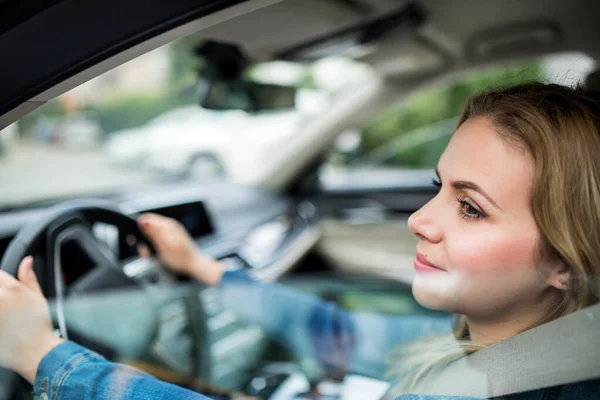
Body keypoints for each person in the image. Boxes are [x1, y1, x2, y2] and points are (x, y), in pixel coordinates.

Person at [1, 82, 600, 400]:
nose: (420, 218)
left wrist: (45, 356)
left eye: (470, 208)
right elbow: (341, 336)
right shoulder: (502, 350)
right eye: (437, 186)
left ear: (567, 265)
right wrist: (208, 272)